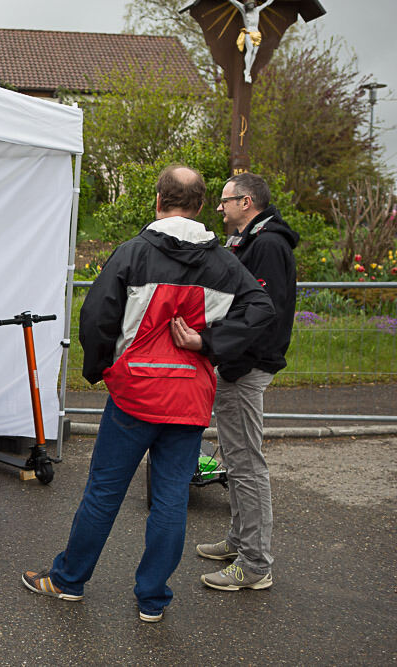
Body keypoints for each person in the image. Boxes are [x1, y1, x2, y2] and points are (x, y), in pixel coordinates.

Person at [22, 165, 275, 622]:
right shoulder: (223, 262)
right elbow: (262, 308)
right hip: (189, 398)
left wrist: (102, 370)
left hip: (135, 394)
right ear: (200, 207)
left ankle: (68, 581)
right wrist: (209, 343)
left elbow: (96, 317)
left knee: (104, 492)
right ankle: (152, 600)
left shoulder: (133, 252)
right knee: (171, 499)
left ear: (158, 201)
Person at [193, 172, 298, 592]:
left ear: (247, 202)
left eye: (226, 200)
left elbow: (261, 314)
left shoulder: (268, 245)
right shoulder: (255, 240)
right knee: (236, 462)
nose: (220, 207)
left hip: (245, 367)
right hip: (240, 364)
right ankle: (239, 540)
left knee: (247, 464)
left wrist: (225, 357)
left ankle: (254, 563)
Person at [228, 0, 274, 84]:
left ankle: (247, 70)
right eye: (249, 4)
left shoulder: (257, 10)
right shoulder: (243, 10)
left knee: (255, 52)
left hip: (256, 33)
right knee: (250, 50)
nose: (251, 6)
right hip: (248, 33)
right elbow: (234, 2)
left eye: (252, 4)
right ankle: (247, 73)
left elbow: (267, 3)